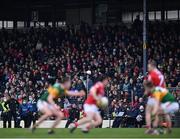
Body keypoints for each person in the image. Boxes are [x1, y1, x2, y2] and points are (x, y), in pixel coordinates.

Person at [145, 60, 166, 132]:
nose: (148, 68)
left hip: (154, 95)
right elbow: (164, 85)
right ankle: (160, 128)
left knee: (148, 111)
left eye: (149, 67)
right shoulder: (160, 74)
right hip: (161, 96)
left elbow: (149, 85)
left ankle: (149, 128)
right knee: (158, 113)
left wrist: (146, 92)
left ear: (152, 66)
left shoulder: (152, 74)